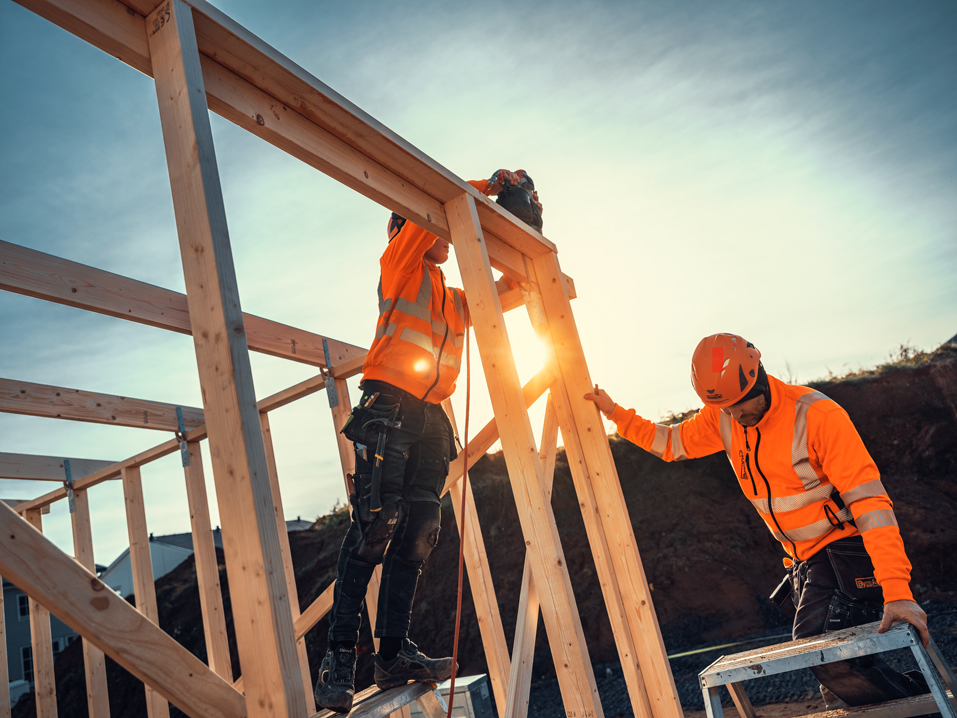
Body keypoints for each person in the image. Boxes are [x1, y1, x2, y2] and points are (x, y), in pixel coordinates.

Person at [584, 333, 932, 711]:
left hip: (846, 550)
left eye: (740, 404)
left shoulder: (816, 415)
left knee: (823, 654)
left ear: (759, 376)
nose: (735, 416)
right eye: (726, 409)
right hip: (806, 563)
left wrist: (897, 591)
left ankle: (923, 706)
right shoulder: (724, 418)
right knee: (836, 678)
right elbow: (672, 444)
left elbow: (871, 503)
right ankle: (914, 700)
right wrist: (615, 413)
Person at [315, 170, 541, 712]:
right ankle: (338, 660)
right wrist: (489, 185)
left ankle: (392, 654)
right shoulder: (398, 261)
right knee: (375, 528)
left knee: (418, 530)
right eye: (434, 229)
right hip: (389, 409)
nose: (445, 236)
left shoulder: (450, 297)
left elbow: (509, 292)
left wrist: (520, 237)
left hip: (431, 418)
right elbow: (431, 200)